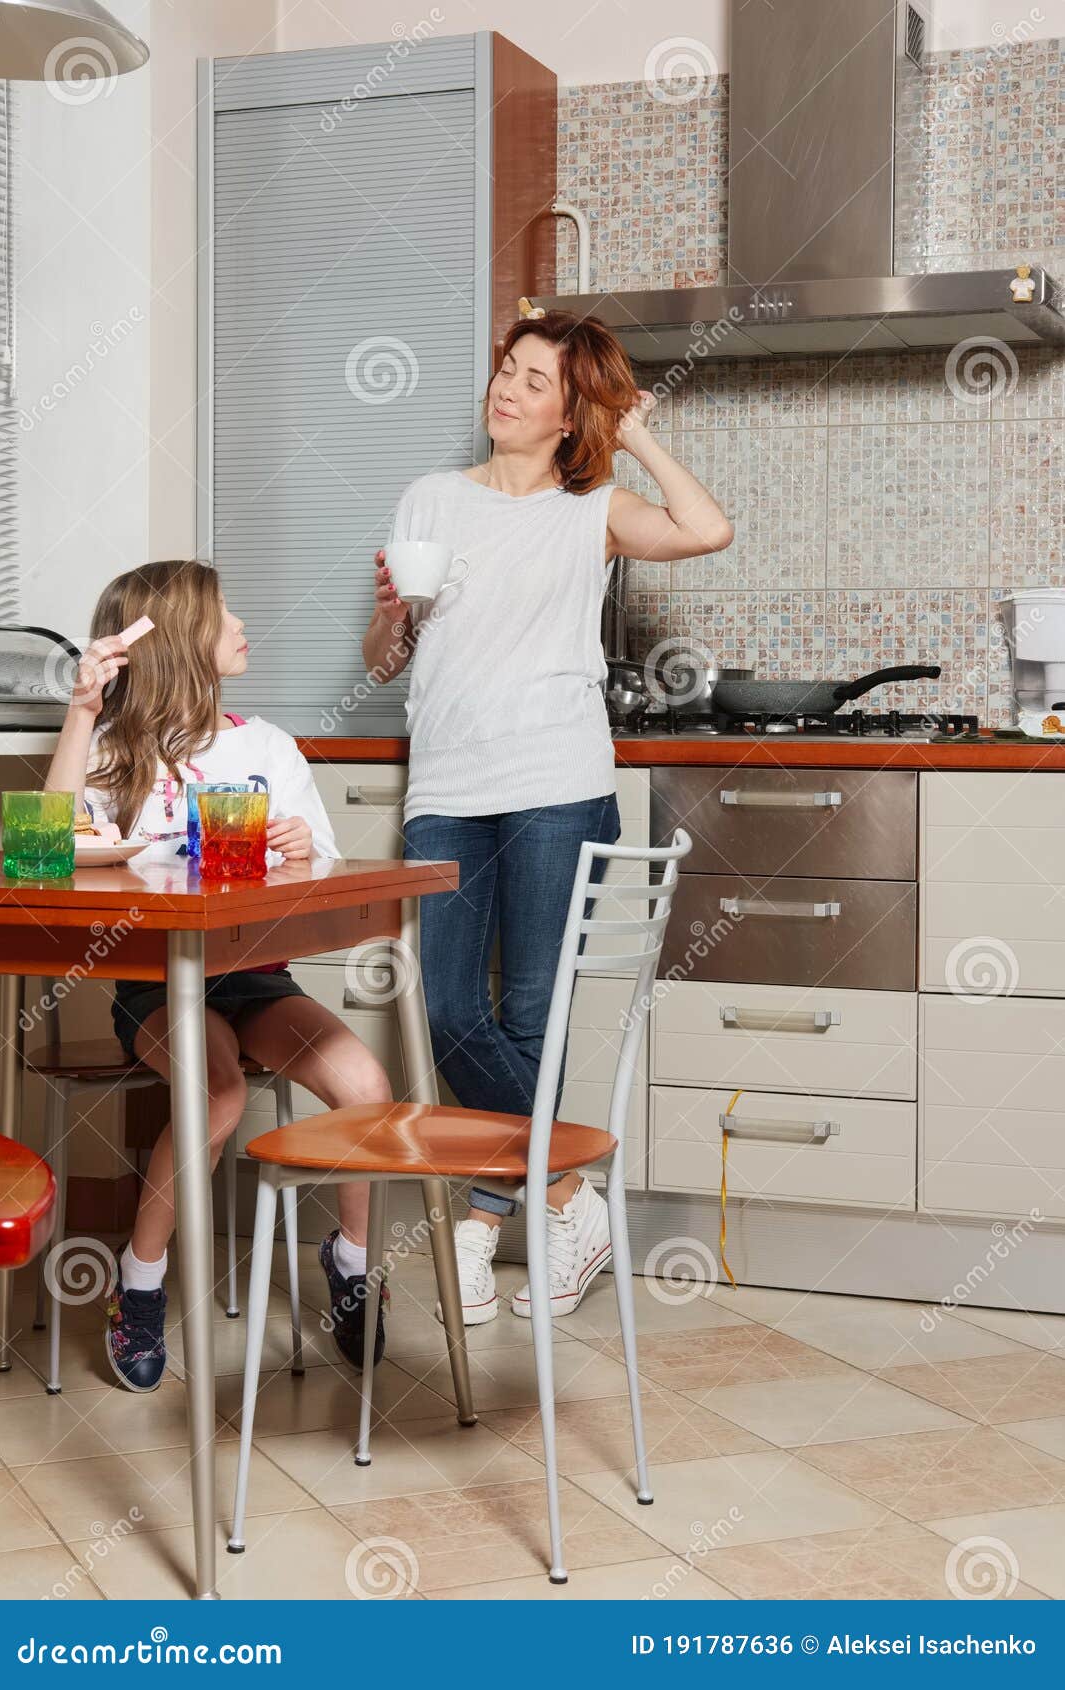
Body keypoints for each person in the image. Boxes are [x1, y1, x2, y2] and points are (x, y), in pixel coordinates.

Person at [361, 309, 733, 1324]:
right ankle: (568, 1195)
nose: (507, 389)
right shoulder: (431, 497)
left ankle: (482, 1229)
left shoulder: (593, 510)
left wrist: (636, 431)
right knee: (448, 1010)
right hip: (446, 787)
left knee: (533, 1015)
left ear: (570, 417)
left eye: (535, 382)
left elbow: (706, 529)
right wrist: (391, 613)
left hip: (556, 781)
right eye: (507, 370)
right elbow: (384, 662)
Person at [46, 559, 391, 1390]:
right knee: (219, 1091)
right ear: (178, 640)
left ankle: (351, 1263)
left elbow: (322, 872)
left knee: (367, 1085)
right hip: (159, 985)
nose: (241, 625)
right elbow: (47, 851)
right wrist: (83, 711)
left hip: (256, 978)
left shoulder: (265, 745)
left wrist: (302, 848)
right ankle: (139, 1282)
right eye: (223, 613)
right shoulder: (115, 754)